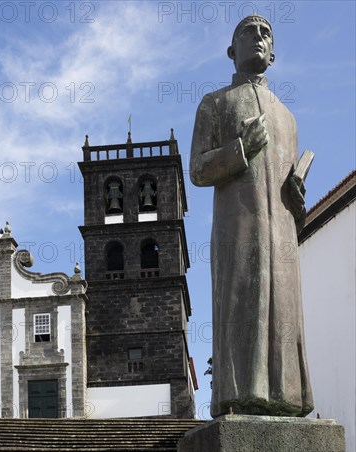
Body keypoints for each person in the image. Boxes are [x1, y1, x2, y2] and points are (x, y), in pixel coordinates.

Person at [190, 15, 314, 417]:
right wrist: (239, 150)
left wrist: (298, 200)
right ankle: (239, 395)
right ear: (232, 50)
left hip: (281, 233)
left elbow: (290, 192)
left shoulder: (288, 119)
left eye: (265, 34)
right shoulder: (215, 103)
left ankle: (286, 396)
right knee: (241, 307)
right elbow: (197, 169)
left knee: (284, 311)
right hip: (237, 228)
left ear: (273, 53)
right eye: (248, 31)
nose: (258, 37)